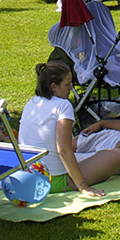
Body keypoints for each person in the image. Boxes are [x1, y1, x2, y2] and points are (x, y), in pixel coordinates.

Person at [17, 62, 104, 198]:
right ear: (53, 87)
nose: (71, 88)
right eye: (67, 84)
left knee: (89, 154)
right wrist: (83, 187)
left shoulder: (32, 102)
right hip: (54, 181)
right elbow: (63, 151)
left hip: (30, 177)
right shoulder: (63, 105)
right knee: (117, 155)